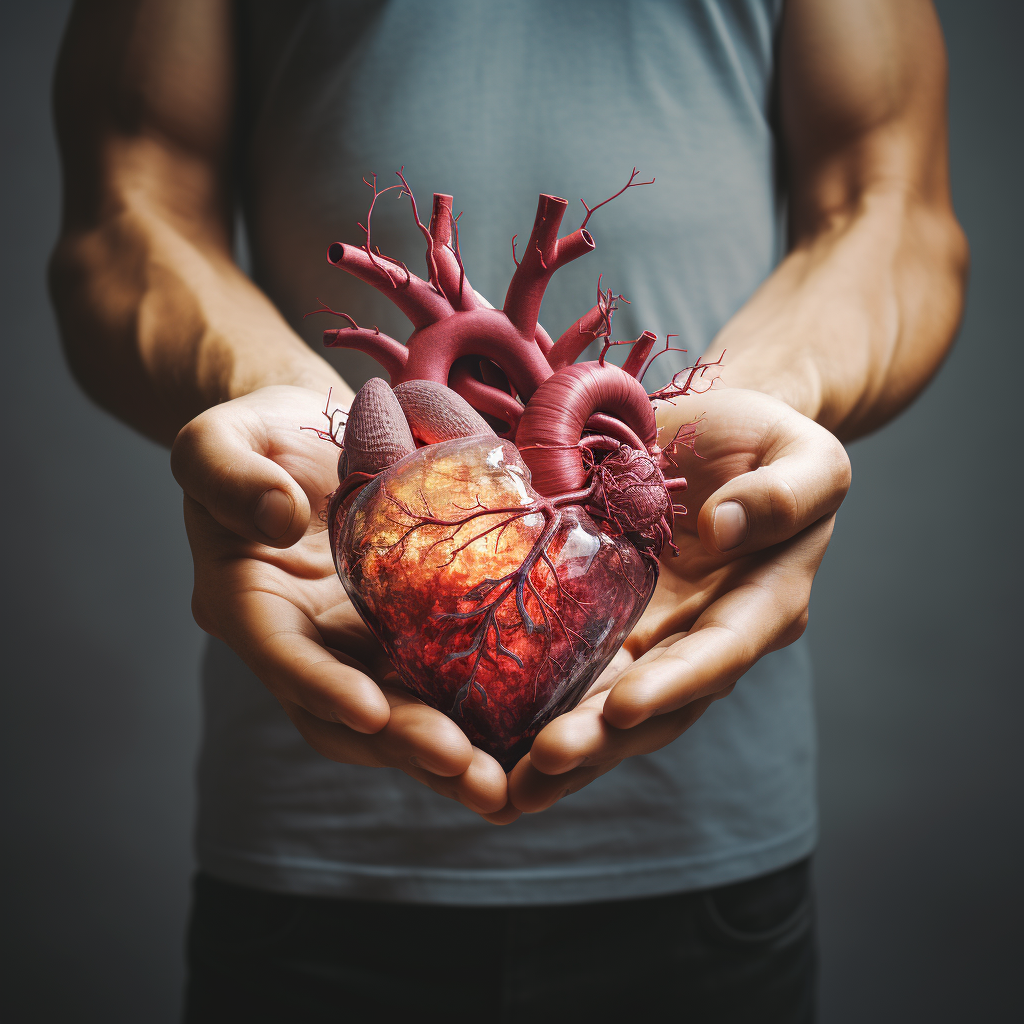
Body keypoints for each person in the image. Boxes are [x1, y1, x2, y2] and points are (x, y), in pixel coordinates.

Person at [49, 1, 966, 1020]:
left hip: (706, 856)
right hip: (308, 863)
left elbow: (892, 210)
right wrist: (303, 419)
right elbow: (125, 212)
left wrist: (762, 402)